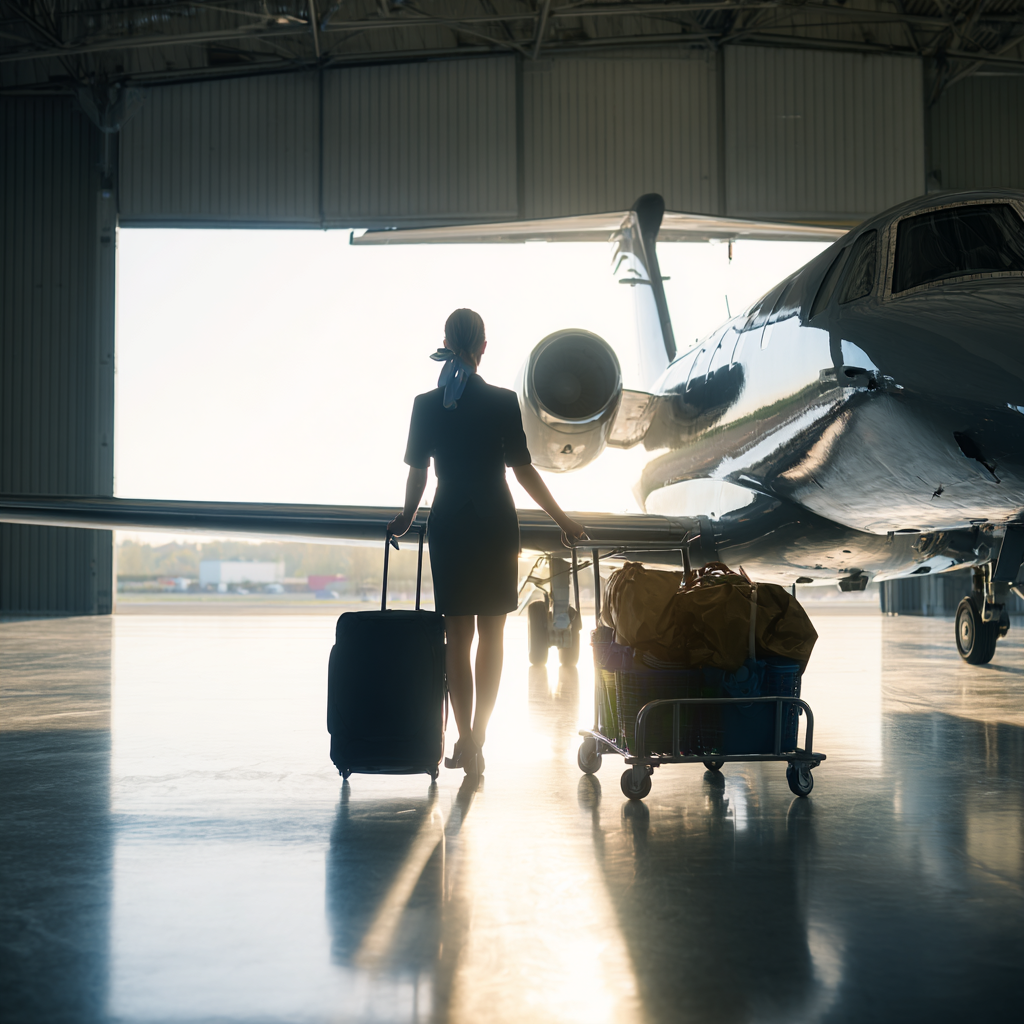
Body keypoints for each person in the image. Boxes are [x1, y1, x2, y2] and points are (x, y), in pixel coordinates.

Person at [388, 308, 587, 776]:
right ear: (482, 347)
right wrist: (563, 519)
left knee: (458, 636)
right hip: (496, 524)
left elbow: (418, 473)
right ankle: (478, 736)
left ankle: (465, 739)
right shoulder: (501, 401)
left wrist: (405, 519)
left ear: (445, 341)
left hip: (450, 524)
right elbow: (522, 470)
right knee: (493, 634)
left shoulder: (425, 404)